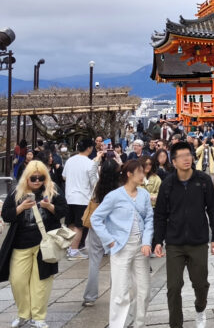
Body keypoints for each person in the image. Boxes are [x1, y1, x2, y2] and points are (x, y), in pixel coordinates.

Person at [0, 160, 68, 328]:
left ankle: (38, 317)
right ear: (26, 178)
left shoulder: (52, 190)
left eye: (41, 178)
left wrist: (50, 206)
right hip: (20, 242)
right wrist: (21, 208)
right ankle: (23, 314)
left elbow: (63, 211)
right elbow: (6, 216)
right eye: (33, 178)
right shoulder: (16, 193)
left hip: (45, 243)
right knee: (18, 281)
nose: (37, 181)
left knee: (42, 281)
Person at [152, 141, 214, 328]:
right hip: (174, 243)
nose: (187, 159)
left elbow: (213, 210)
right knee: (173, 287)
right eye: (182, 156)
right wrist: (157, 241)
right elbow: (160, 215)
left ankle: (200, 308)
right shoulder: (167, 184)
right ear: (173, 162)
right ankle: (176, 325)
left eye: (189, 155)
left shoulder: (203, 181)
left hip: (198, 242)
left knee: (200, 284)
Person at [90, 161, 153, 328]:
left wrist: (147, 242)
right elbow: (95, 218)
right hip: (120, 247)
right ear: (129, 174)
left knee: (144, 289)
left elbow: (149, 219)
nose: (142, 175)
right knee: (120, 290)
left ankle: (138, 323)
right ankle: (117, 325)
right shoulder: (114, 196)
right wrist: (109, 240)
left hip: (141, 247)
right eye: (139, 172)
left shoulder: (144, 195)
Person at [81, 158, 120, 308]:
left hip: (96, 226)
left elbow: (91, 172)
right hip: (114, 227)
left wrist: (98, 158)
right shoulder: (120, 187)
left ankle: (90, 296)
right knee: (116, 262)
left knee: (94, 262)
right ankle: (116, 294)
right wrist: (117, 159)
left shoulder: (97, 185)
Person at [62, 138, 97, 261]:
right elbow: (95, 182)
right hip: (82, 198)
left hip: (69, 197)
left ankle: (71, 247)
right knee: (79, 226)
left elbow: (64, 176)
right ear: (89, 148)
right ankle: (74, 250)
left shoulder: (70, 160)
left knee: (71, 224)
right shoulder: (90, 163)